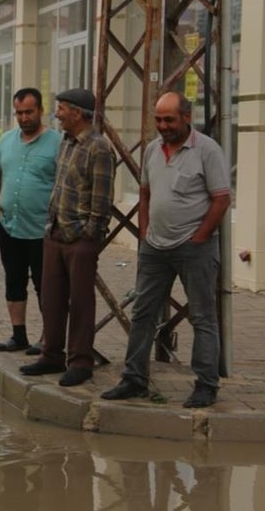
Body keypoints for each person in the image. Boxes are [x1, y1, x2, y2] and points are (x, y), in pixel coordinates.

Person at [102, 92, 230, 408]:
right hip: (154, 248)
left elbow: (222, 199)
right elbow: (144, 193)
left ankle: (206, 385)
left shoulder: (207, 151)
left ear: (187, 117)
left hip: (194, 248)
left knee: (202, 317)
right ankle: (134, 379)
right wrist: (144, 234)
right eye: (158, 120)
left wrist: (199, 238)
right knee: (143, 312)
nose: (163, 126)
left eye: (169, 119)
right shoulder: (152, 152)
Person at [20, 88, 115, 387]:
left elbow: (102, 200)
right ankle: (52, 355)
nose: (57, 114)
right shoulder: (66, 142)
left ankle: (80, 361)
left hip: (80, 239)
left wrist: (89, 235)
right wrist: (52, 224)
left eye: (61, 108)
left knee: (81, 302)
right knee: (52, 299)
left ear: (77, 112)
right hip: (55, 233)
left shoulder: (98, 148)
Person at [0, 88, 61, 355]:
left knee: (46, 284)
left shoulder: (57, 142)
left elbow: (62, 183)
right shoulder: (6, 140)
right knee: (14, 280)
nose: (23, 118)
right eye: (19, 113)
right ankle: (19, 335)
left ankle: (48, 337)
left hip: (42, 230)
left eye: (28, 112)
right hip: (9, 225)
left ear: (41, 111)